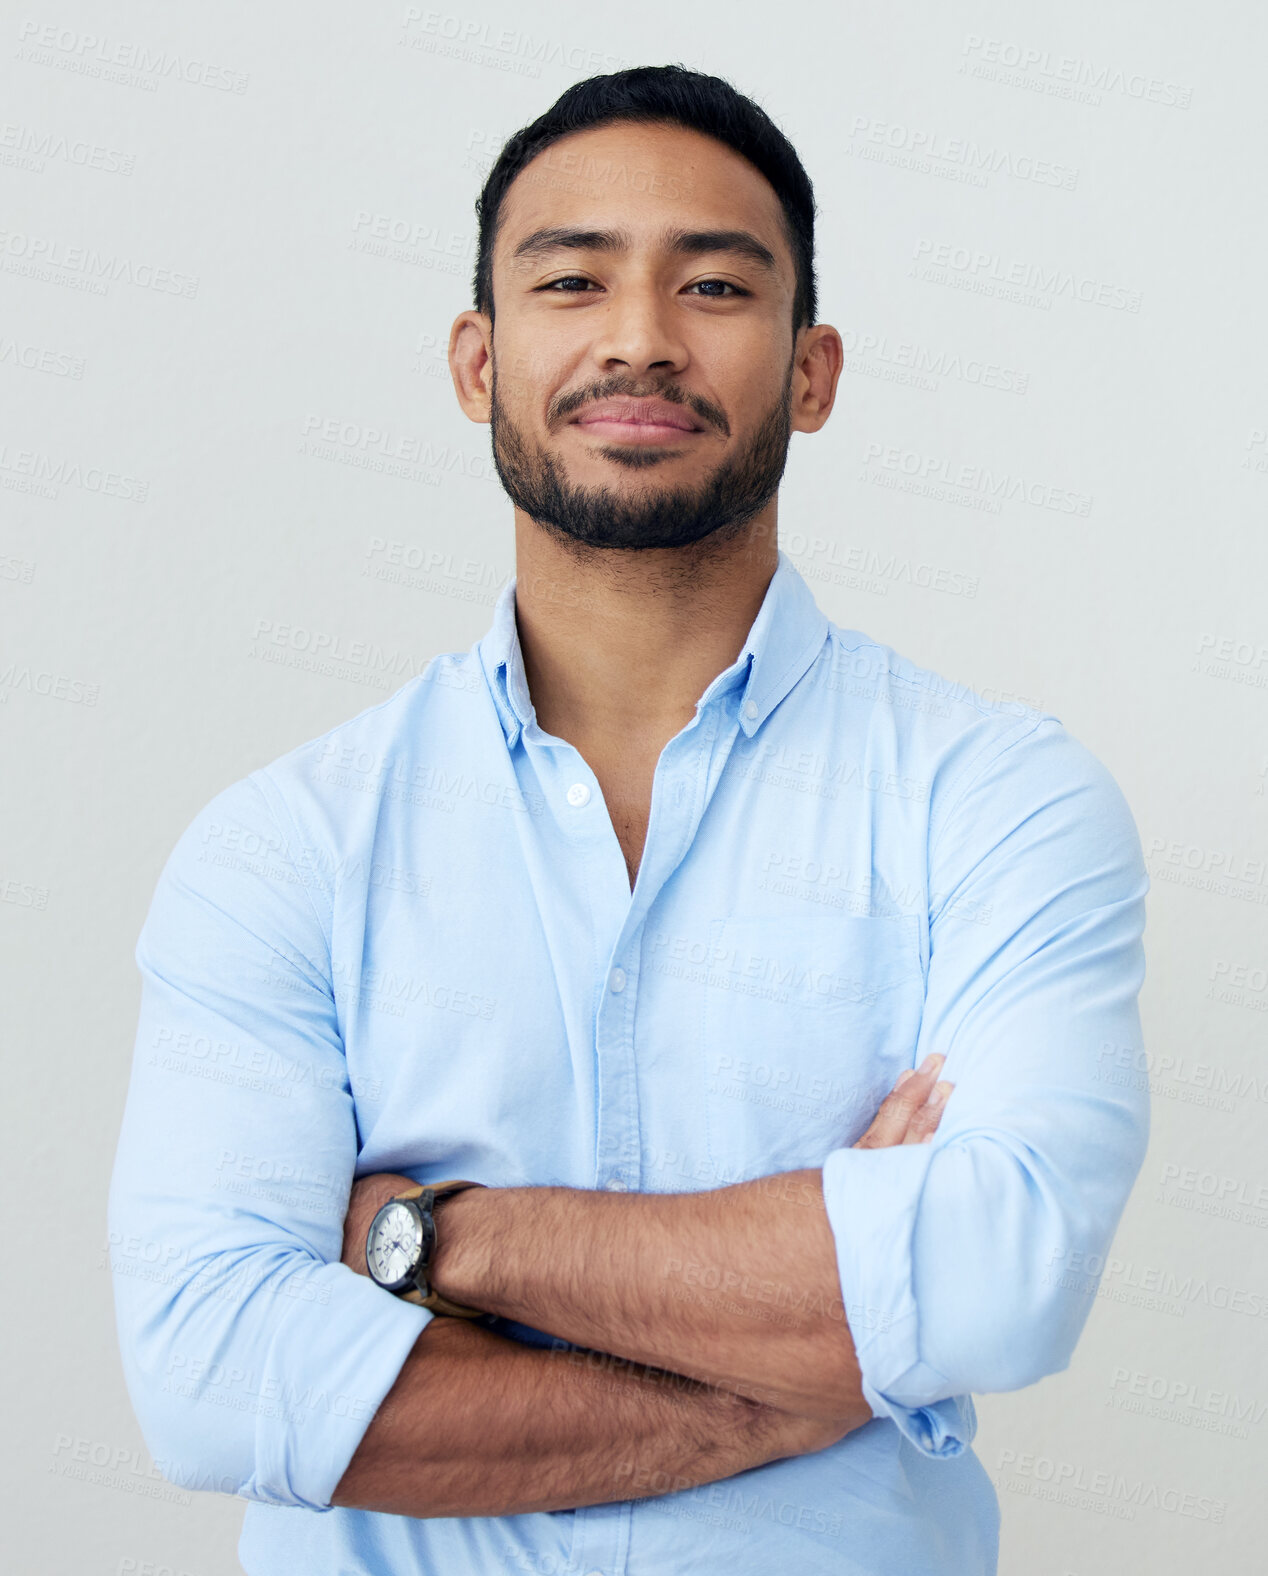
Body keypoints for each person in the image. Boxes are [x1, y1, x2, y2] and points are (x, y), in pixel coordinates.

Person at [108, 64, 1150, 1576]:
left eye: (717, 284)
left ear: (813, 370)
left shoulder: (993, 802)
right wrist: (804, 1372)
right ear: (478, 362)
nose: (641, 339)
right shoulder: (284, 849)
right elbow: (213, 1382)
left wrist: (440, 1239)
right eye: (573, 280)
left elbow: (1002, 1283)